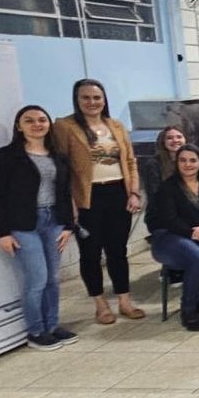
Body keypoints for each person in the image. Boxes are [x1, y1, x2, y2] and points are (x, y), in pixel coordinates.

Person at [53, 78, 144, 325]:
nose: (92, 102)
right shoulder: (65, 126)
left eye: (97, 97)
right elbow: (61, 168)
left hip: (118, 193)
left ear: (104, 100)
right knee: (90, 253)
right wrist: (69, 204)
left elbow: (131, 162)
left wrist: (134, 193)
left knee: (118, 250)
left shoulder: (115, 125)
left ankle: (124, 300)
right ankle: (100, 304)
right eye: (86, 97)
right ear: (77, 100)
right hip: (87, 197)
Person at [0, 105, 76, 350]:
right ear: (19, 126)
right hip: (24, 224)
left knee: (53, 280)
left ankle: (52, 326)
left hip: (53, 221)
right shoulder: (6, 156)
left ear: (48, 124)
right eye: (29, 120)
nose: (37, 124)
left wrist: (68, 225)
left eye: (41, 120)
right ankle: (36, 331)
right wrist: (2, 232)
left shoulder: (57, 156)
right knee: (37, 279)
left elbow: (65, 193)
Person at [145, 144, 199, 331]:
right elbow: (169, 220)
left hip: (197, 236)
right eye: (183, 160)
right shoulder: (168, 188)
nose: (188, 164)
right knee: (198, 258)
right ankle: (189, 308)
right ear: (177, 163)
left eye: (193, 160)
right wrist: (195, 234)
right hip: (168, 237)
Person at [140, 125, 186, 206]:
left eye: (179, 137)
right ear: (163, 142)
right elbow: (155, 194)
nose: (175, 140)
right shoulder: (153, 164)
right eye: (169, 138)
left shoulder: (193, 160)